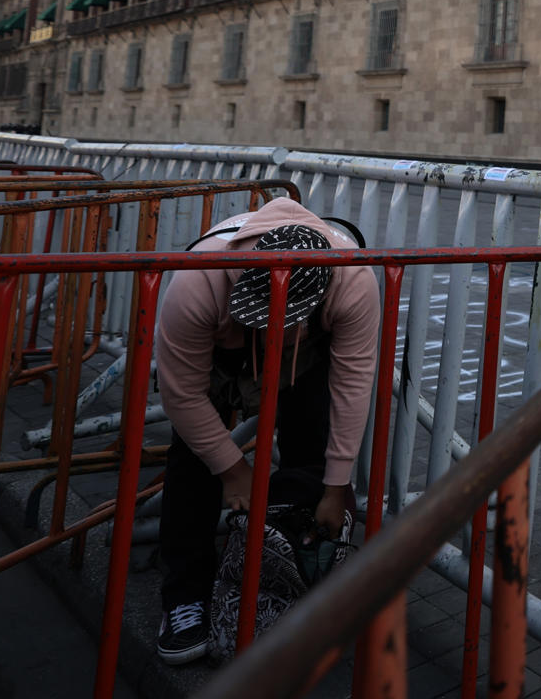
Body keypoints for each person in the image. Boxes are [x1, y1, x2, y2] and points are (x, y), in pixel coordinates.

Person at [151, 196, 381, 664]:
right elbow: (182, 395)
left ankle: (288, 578)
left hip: (307, 356)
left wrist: (337, 485)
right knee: (194, 462)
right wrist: (232, 469)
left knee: (312, 459)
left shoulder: (353, 280)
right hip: (220, 353)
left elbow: (352, 388)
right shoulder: (198, 281)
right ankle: (185, 597)